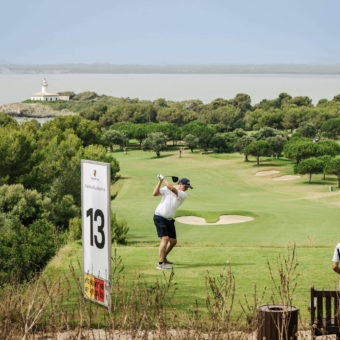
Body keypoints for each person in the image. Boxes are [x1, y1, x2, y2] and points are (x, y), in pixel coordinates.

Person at [152, 174, 193, 270]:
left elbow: (171, 188)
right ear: (180, 184)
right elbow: (155, 193)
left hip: (169, 219)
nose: (186, 188)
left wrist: (163, 178)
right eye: (185, 186)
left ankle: (163, 257)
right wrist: (160, 181)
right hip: (159, 216)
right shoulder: (168, 188)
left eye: (188, 187)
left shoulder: (183, 194)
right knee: (165, 239)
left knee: (173, 241)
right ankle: (160, 263)